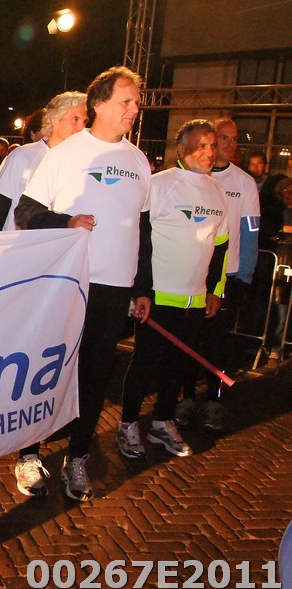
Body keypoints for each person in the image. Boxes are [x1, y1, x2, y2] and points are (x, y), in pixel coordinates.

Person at [13, 66, 152, 501]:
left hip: (115, 289)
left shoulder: (139, 160)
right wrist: (66, 221)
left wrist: (142, 287)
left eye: (136, 102)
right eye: (126, 101)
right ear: (99, 104)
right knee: (50, 373)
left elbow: (143, 229)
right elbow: (25, 213)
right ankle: (28, 454)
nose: (134, 109)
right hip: (68, 283)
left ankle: (77, 457)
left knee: (95, 376)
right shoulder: (67, 153)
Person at [118, 119, 228, 460]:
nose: (209, 152)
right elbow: (140, 239)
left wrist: (215, 290)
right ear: (181, 150)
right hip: (158, 298)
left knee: (177, 368)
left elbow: (221, 246)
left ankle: (162, 420)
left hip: (194, 300)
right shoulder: (159, 185)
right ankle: (128, 423)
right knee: (145, 364)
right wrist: (141, 290)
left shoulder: (217, 191)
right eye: (200, 145)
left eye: (213, 145)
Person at [177, 118, 260, 431]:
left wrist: (245, 277)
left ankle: (214, 401)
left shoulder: (245, 183)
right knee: (188, 340)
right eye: (222, 138)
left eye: (233, 139)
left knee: (217, 344)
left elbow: (251, 232)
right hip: (192, 275)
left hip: (229, 276)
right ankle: (186, 398)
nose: (228, 144)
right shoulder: (193, 178)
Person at [0, 91, 87, 232]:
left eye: (84, 121)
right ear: (55, 120)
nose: (82, 128)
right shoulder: (22, 156)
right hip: (19, 244)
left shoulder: (84, 162)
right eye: (75, 119)